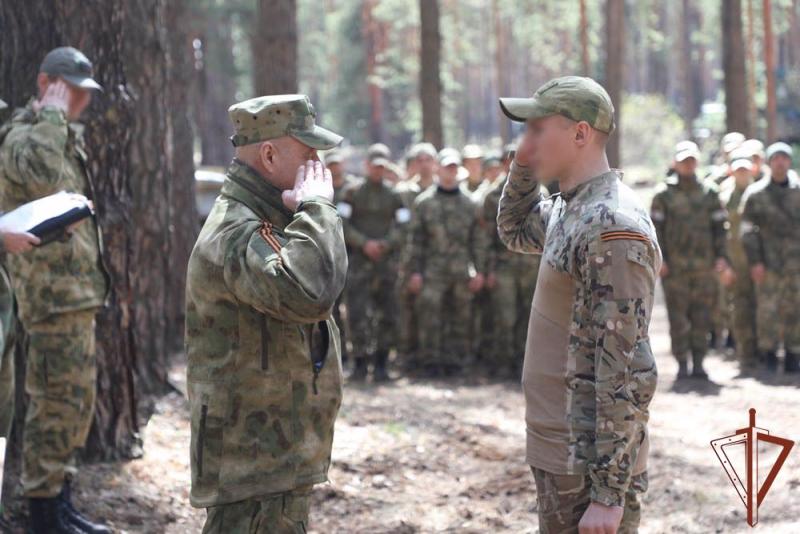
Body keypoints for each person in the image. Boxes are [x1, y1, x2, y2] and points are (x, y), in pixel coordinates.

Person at [497, 76, 661, 533]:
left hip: (587, 467)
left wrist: (609, 495)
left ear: (580, 134)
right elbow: (513, 229)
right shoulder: (570, 208)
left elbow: (626, 368)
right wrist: (524, 165)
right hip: (560, 451)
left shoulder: (611, 226)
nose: (524, 140)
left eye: (536, 128)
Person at [185, 94, 348, 533]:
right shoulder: (239, 229)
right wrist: (318, 208)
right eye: (308, 151)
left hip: (270, 450)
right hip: (254, 459)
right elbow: (311, 291)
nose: (319, 163)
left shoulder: (268, 216)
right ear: (270, 153)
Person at [0, 46, 111, 534]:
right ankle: (43, 514)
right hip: (47, 297)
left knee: (75, 403)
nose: (79, 102)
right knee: (51, 402)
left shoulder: (62, 137)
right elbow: (38, 176)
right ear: (45, 83)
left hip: (76, 295)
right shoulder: (26, 136)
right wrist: (50, 117)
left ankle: (61, 502)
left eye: (84, 93)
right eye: (70, 90)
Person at [650, 141, 731, 379]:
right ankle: (682, 363)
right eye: (683, 160)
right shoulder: (663, 194)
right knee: (678, 318)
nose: (688, 165)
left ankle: (699, 362)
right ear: (675, 163)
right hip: (675, 270)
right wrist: (659, 260)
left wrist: (722, 257)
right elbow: (655, 230)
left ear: (697, 162)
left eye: (692, 160)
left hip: (704, 268)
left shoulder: (710, 193)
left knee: (702, 316)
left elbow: (720, 228)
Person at [408, 149, 487, 376]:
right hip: (432, 270)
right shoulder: (424, 203)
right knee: (430, 314)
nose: (450, 171)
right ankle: (431, 362)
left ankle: (456, 362)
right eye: (446, 167)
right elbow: (416, 241)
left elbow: (478, 241)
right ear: (438, 169)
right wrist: (414, 272)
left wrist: (480, 271)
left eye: (454, 167)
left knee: (460, 316)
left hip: (461, 270)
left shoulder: (471, 204)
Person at [340, 157, 406, 382]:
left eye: (382, 166)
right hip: (359, 263)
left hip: (385, 265)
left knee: (387, 314)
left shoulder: (395, 196)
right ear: (367, 166)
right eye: (374, 165)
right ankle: (359, 364)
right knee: (357, 312)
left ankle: (381, 365)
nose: (378, 170)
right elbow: (342, 222)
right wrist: (363, 243)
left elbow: (404, 225)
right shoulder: (352, 192)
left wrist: (386, 243)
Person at [740, 142, 800, 373]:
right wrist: (755, 261)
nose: (780, 162)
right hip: (768, 264)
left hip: (795, 265)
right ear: (769, 162)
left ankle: (794, 355)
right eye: (776, 158)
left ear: (790, 161)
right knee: (768, 310)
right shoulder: (755, 194)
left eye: (784, 158)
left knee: (795, 309)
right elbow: (746, 231)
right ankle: (769, 355)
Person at [481, 147, 541, 378]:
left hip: (531, 267)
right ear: (508, 164)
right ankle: (502, 365)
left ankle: (523, 365)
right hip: (503, 266)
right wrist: (487, 269)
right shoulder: (493, 196)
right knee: (504, 317)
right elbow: (484, 238)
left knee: (529, 317)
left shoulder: (540, 192)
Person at [719, 156, 758, 370]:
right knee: (740, 307)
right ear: (733, 172)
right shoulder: (725, 196)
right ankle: (745, 353)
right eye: (739, 170)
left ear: (752, 171)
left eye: (746, 170)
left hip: (758, 260)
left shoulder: (759, 193)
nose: (742, 174)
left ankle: (763, 350)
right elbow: (721, 232)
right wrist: (725, 263)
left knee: (761, 306)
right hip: (735, 261)